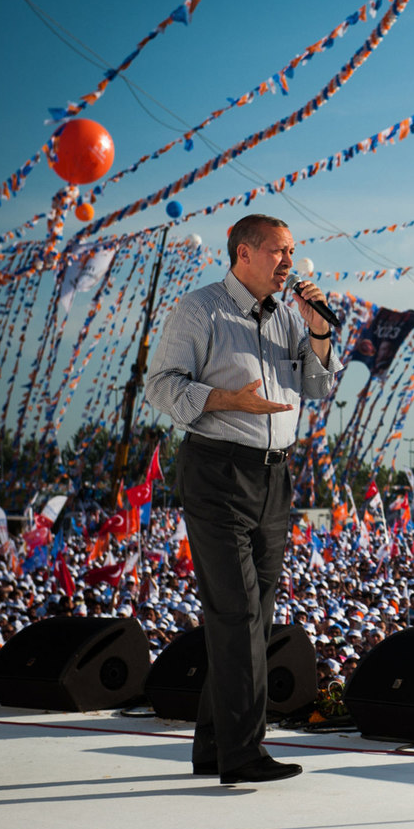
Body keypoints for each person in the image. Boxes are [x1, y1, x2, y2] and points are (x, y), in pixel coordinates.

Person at [146, 214, 342, 785]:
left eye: (292, 252)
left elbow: (317, 387)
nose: (290, 262)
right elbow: (162, 385)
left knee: (254, 621)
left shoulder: (288, 315)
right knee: (237, 614)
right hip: (217, 471)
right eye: (279, 252)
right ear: (243, 254)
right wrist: (225, 399)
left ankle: (213, 746)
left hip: (275, 477)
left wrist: (319, 334)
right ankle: (244, 753)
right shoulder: (199, 309)